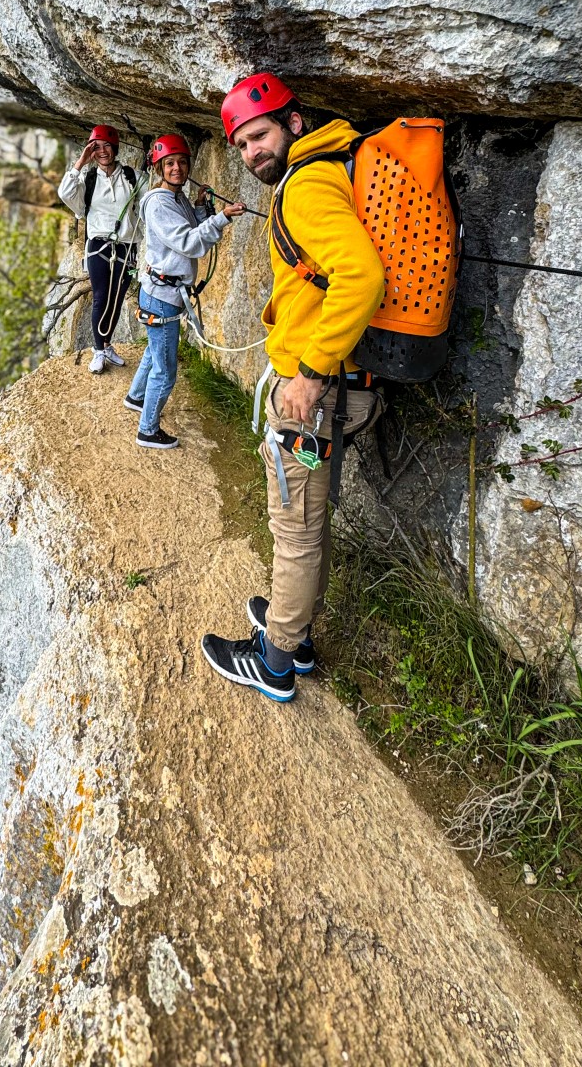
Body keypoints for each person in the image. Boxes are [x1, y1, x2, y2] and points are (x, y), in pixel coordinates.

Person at [200, 73, 385, 702]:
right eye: (242, 144)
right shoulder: (324, 168)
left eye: (260, 135)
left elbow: (361, 276)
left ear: (294, 123)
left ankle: (278, 659)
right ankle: (293, 625)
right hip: (338, 381)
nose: (252, 152)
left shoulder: (304, 186)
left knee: (296, 528)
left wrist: (308, 374)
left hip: (315, 393)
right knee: (306, 520)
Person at [125, 134, 244, 450]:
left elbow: (192, 229)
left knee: (154, 351)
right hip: (162, 297)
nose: (177, 168)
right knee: (165, 372)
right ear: (159, 168)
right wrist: (222, 217)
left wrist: (201, 206)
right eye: (169, 163)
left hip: (161, 292)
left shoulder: (176, 199)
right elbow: (189, 243)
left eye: (181, 162)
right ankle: (147, 430)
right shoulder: (159, 203)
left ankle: (136, 397)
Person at [58, 124, 140, 374]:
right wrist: (81, 162)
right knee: (101, 297)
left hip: (126, 246)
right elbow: (65, 193)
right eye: (97, 147)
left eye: (107, 146)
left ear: (115, 148)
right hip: (98, 245)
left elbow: (151, 197)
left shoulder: (132, 176)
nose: (102, 151)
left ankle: (106, 344)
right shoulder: (88, 180)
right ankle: (98, 350)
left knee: (117, 299)